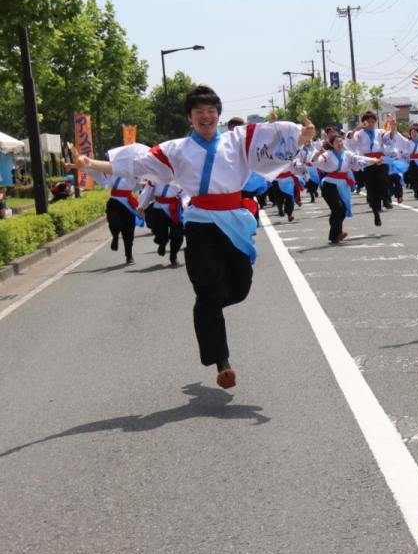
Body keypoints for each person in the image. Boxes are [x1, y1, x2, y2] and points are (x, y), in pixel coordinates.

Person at [76, 85, 315, 390]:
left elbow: (274, 137)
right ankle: (222, 362)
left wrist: (301, 136)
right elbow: (134, 165)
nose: (206, 117)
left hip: (235, 222)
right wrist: (89, 163)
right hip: (200, 222)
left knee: (240, 288)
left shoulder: (238, 139)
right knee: (207, 288)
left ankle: (208, 310)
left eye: (211, 111)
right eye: (199, 112)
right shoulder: (175, 150)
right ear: (189, 117)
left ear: (219, 114)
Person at [311, 131, 382, 244]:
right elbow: (315, 162)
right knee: (338, 207)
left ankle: (336, 232)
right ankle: (335, 235)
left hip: (343, 184)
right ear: (332, 144)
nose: (339, 143)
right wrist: (317, 154)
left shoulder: (348, 154)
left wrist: (374, 161)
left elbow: (359, 159)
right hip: (329, 184)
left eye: (340, 141)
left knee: (342, 209)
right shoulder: (328, 154)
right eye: (336, 142)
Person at [346, 110, 394, 226]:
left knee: (383, 180)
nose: (371, 124)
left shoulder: (380, 132)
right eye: (368, 122)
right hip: (367, 163)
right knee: (372, 189)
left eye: (373, 122)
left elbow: (390, 137)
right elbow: (349, 139)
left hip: (380, 160)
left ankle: (386, 199)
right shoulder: (359, 133)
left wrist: (392, 125)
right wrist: (357, 128)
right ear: (364, 123)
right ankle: (376, 213)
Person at [137, 178, 186, 265]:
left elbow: (188, 191)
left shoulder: (181, 174)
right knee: (159, 232)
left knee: (177, 234)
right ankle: (162, 243)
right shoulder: (155, 176)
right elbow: (147, 192)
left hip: (175, 208)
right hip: (158, 207)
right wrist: (141, 206)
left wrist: (185, 201)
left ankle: (173, 256)